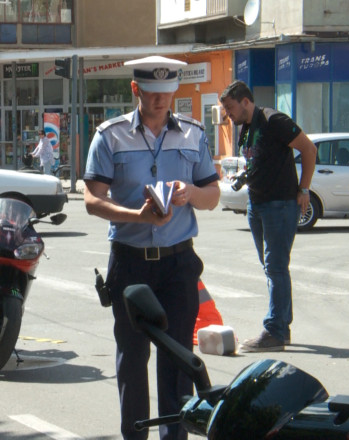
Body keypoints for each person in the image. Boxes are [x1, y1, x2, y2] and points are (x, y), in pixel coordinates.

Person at [84, 56, 220, 440]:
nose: (159, 101)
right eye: (151, 93)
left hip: (178, 261)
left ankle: (174, 437)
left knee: (178, 359)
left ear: (174, 90)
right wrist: (137, 216)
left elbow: (212, 195)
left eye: (166, 93)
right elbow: (92, 200)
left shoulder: (193, 134)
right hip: (130, 263)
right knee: (132, 358)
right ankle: (135, 436)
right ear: (135, 90)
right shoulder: (110, 135)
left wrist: (191, 192)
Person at [219, 80, 317, 352]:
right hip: (257, 204)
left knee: (275, 266)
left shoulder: (274, 120)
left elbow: (309, 150)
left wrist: (304, 189)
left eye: (230, 108)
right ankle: (282, 326)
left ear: (245, 101)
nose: (228, 115)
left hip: (280, 204)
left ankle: (274, 330)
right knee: (272, 267)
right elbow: (257, 160)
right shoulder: (248, 128)